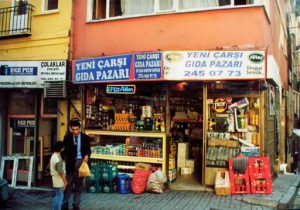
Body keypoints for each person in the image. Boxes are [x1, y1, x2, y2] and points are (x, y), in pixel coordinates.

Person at [61, 118, 91, 210]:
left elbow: (88, 150)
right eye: (73, 129)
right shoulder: (67, 137)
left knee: (79, 185)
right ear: (70, 128)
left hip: (81, 162)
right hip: (70, 163)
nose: (75, 131)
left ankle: (76, 205)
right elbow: (64, 150)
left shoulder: (85, 137)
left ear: (80, 128)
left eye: (77, 129)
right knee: (68, 184)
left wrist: (87, 155)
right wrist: (62, 159)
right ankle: (65, 204)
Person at [50, 141, 67, 210]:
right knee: (60, 197)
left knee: (57, 196)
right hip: (59, 181)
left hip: (55, 180)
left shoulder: (54, 155)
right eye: (63, 147)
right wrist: (65, 182)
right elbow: (61, 172)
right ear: (61, 148)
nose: (64, 148)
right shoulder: (58, 159)